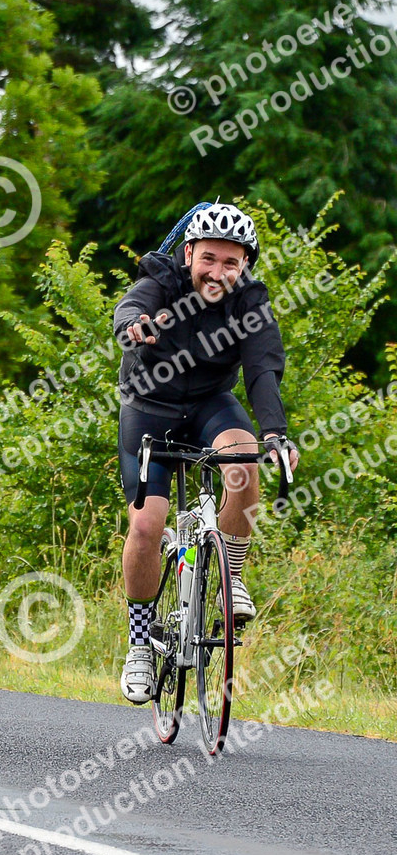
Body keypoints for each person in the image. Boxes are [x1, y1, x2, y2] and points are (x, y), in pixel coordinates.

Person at [113, 203, 300, 703]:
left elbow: (262, 370)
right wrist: (134, 327)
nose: (218, 273)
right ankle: (139, 643)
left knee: (245, 464)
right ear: (189, 252)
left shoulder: (250, 302)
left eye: (231, 263)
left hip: (210, 405)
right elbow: (130, 308)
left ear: (245, 265)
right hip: (148, 406)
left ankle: (229, 580)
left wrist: (276, 434)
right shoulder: (163, 281)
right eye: (209, 259)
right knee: (147, 526)